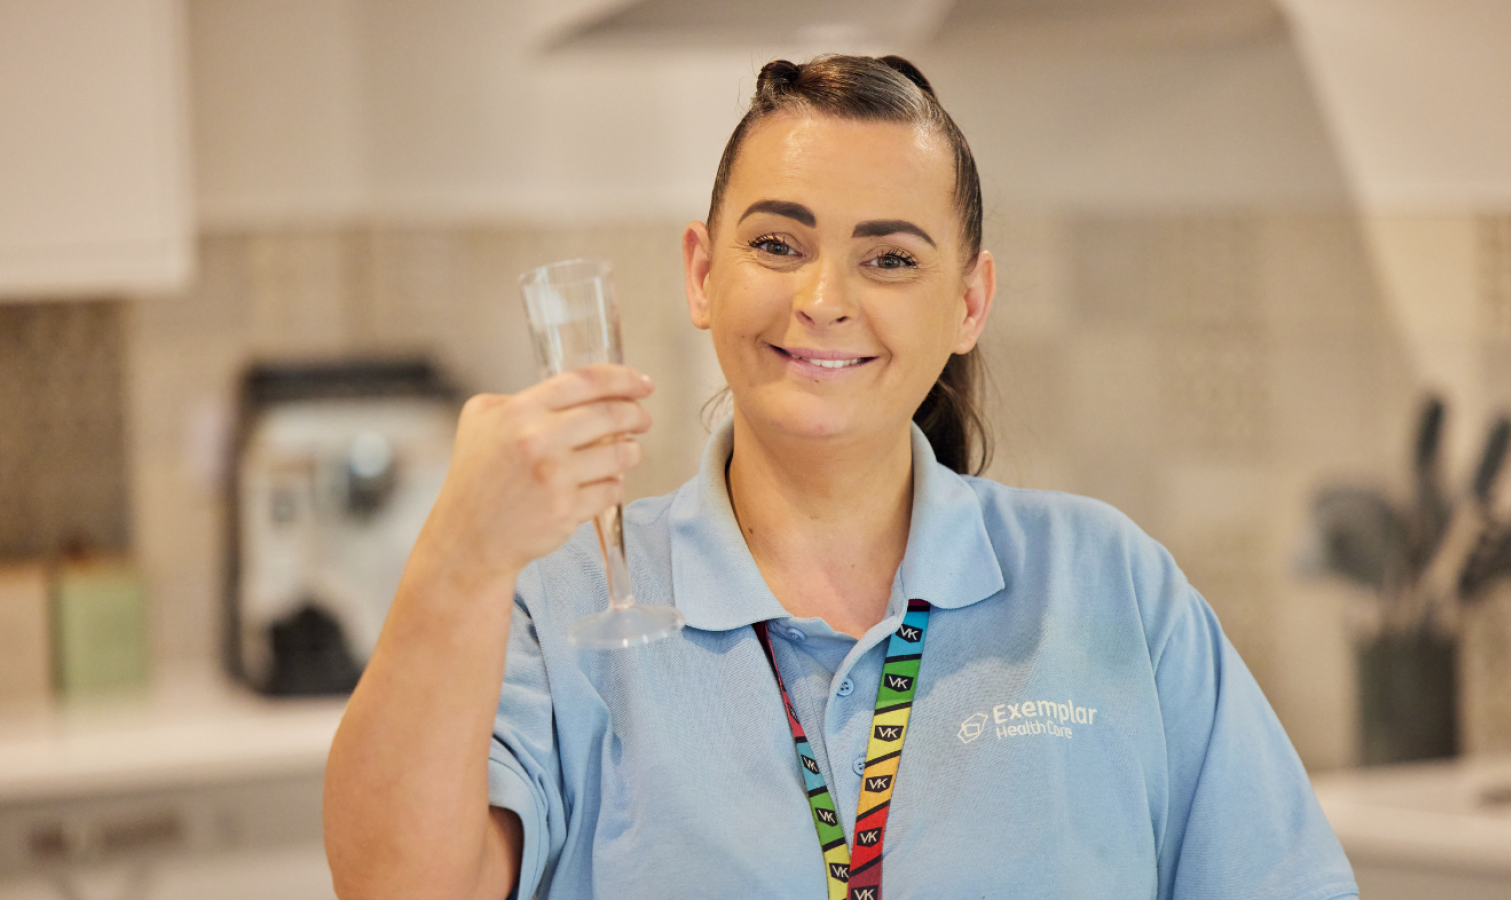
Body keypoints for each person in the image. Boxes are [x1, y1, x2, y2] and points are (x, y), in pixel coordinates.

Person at [324, 55, 1358, 900]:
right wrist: (458, 554)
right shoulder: (569, 603)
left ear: (969, 300)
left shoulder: (1110, 587)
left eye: (890, 260)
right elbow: (398, 888)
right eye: (777, 242)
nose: (822, 299)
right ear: (700, 271)